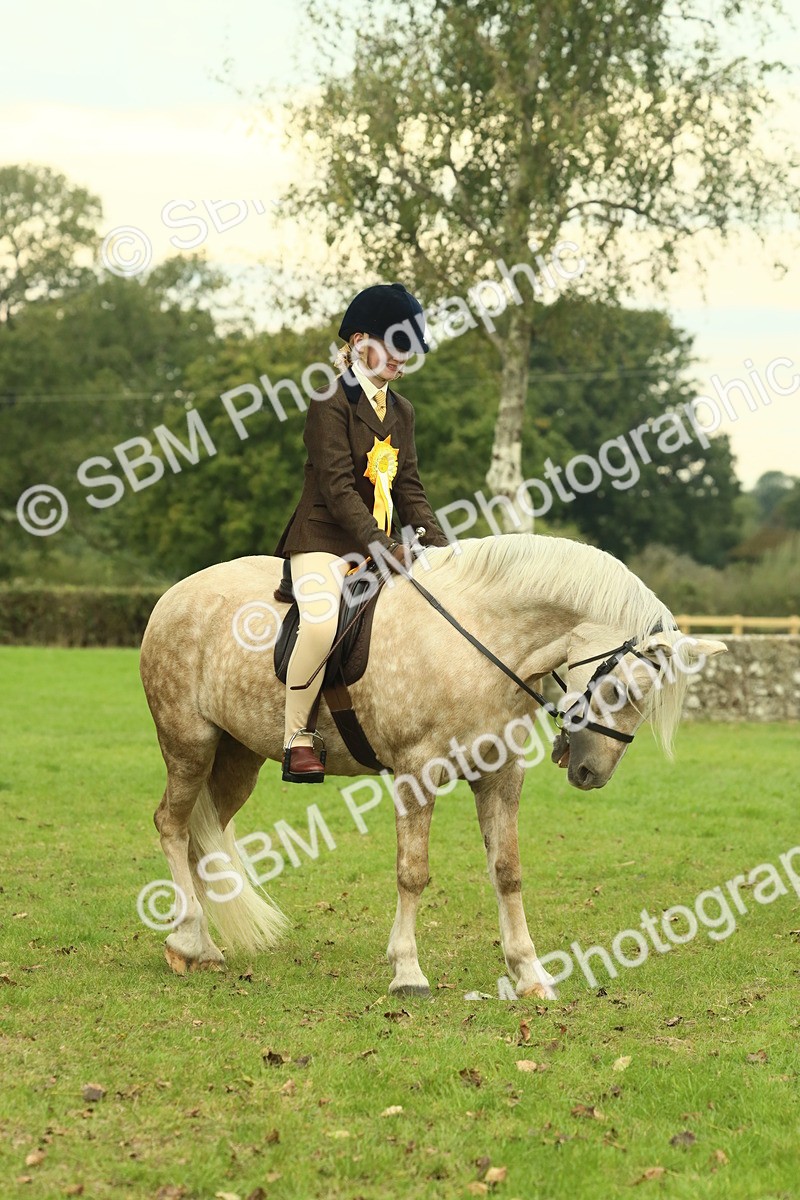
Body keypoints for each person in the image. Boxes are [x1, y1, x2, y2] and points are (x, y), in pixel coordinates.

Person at [274, 282, 449, 784]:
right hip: (323, 539)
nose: (403, 359)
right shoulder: (329, 401)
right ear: (357, 342)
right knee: (324, 621)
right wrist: (384, 546)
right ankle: (297, 738)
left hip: (382, 544)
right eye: (396, 346)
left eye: (408, 350)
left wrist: (440, 549)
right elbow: (336, 488)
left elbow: (410, 486)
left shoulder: (402, 411)